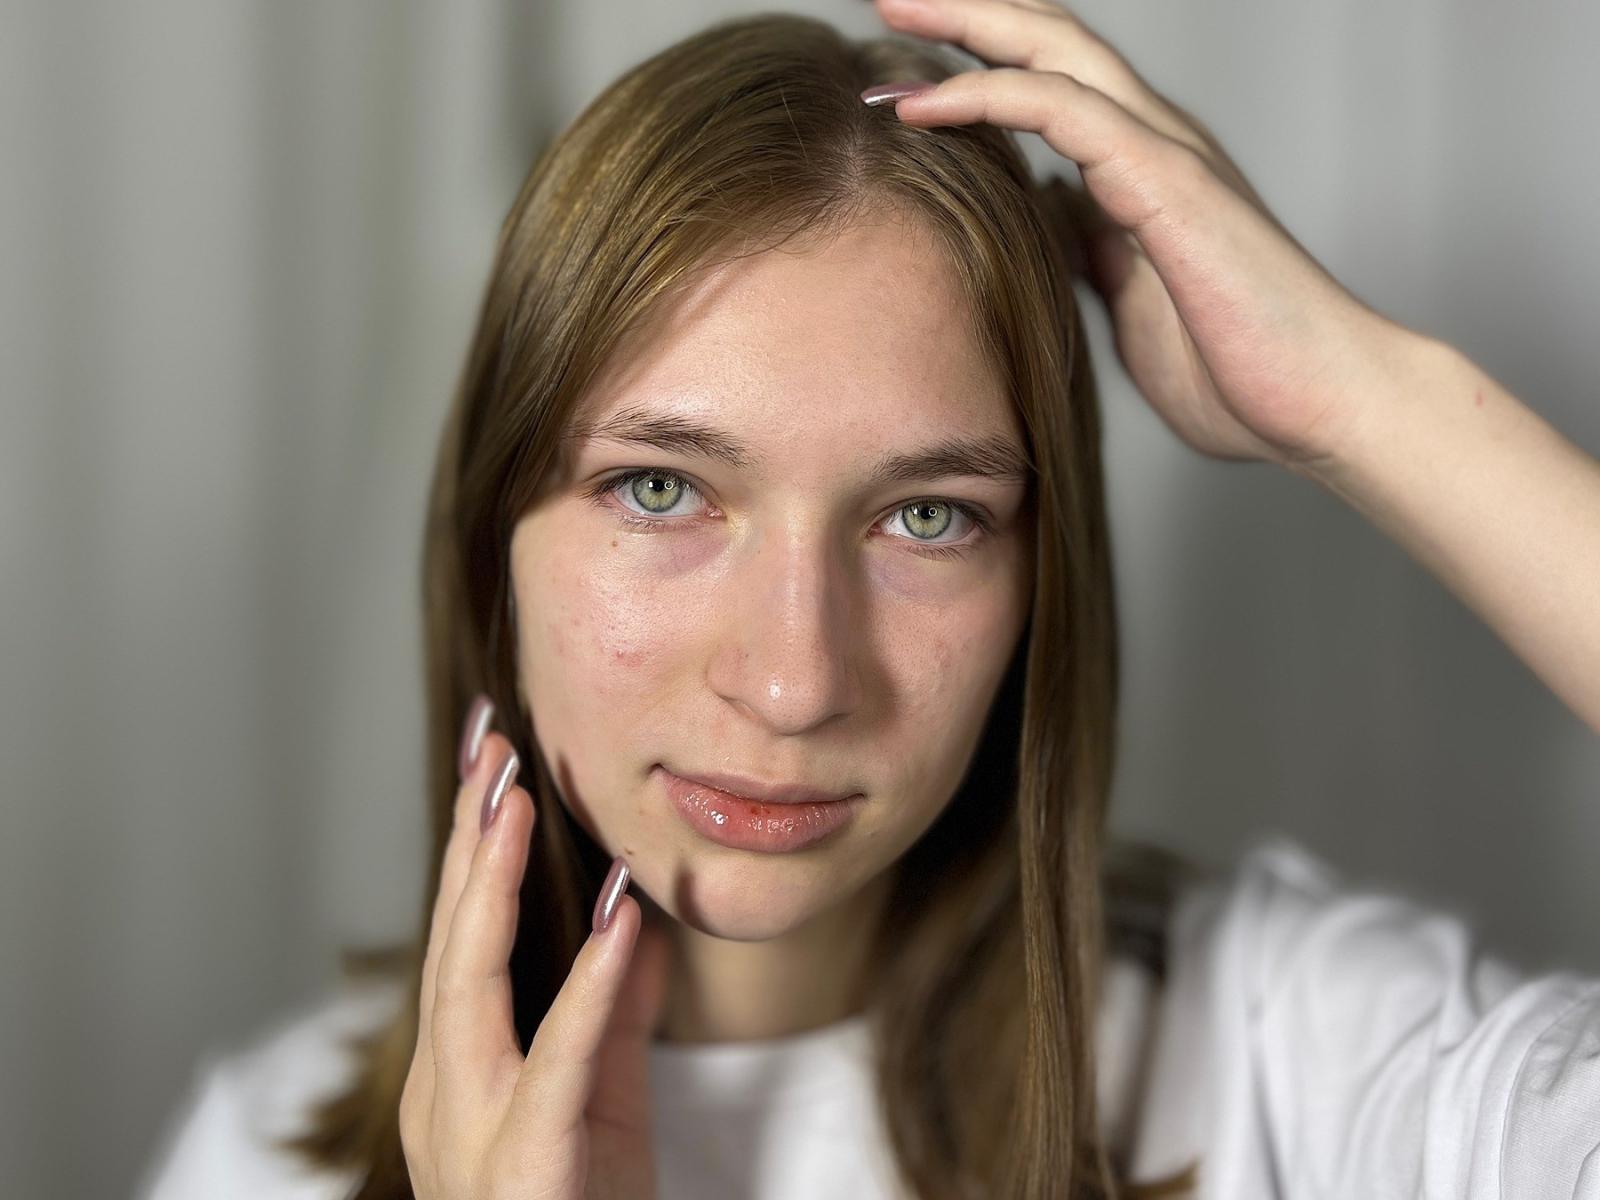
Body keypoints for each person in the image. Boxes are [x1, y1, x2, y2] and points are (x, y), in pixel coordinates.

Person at [137, 3, 1600, 1198]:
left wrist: (1360, 401)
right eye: (662, 490)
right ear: (490, 540)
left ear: (1043, 579)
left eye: (926, 515)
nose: (794, 683)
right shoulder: (259, 1158)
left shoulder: (1302, 1062)